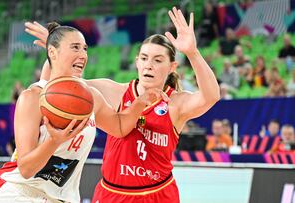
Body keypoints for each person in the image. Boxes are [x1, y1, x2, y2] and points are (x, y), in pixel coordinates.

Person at [26, 6, 220, 203]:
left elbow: (211, 96)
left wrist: (192, 52)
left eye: (157, 60)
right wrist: (56, 51)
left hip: (157, 194)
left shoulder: (175, 103)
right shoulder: (116, 91)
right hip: (112, 193)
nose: (149, 65)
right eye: (144, 58)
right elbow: (59, 87)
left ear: (171, 67)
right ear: (137, 62)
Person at [0, 22, 166, 203]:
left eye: (85, 48)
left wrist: (140, 102)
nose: (83, 54)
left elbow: (119, 127)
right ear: (52, 52)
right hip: (19, 193)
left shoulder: (91, 97)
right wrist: (54, 141)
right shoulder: (33, 97)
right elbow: (26, 169)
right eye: (75, 47)